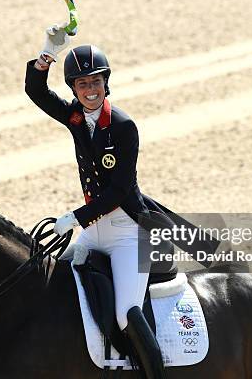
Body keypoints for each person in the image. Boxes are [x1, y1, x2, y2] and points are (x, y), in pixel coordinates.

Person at [25, 24, 167, 378]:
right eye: (83, 84)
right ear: (74, 88)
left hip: (127, 234)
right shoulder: (75, 117)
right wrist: (48, 53)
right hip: (93, 232)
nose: (90, 91)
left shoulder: (123, 126)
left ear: (106, 82)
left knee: (126, 313)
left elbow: (119, 191)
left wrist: (74, 218)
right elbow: (35, 90)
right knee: (54, 288)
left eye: (96, 82)